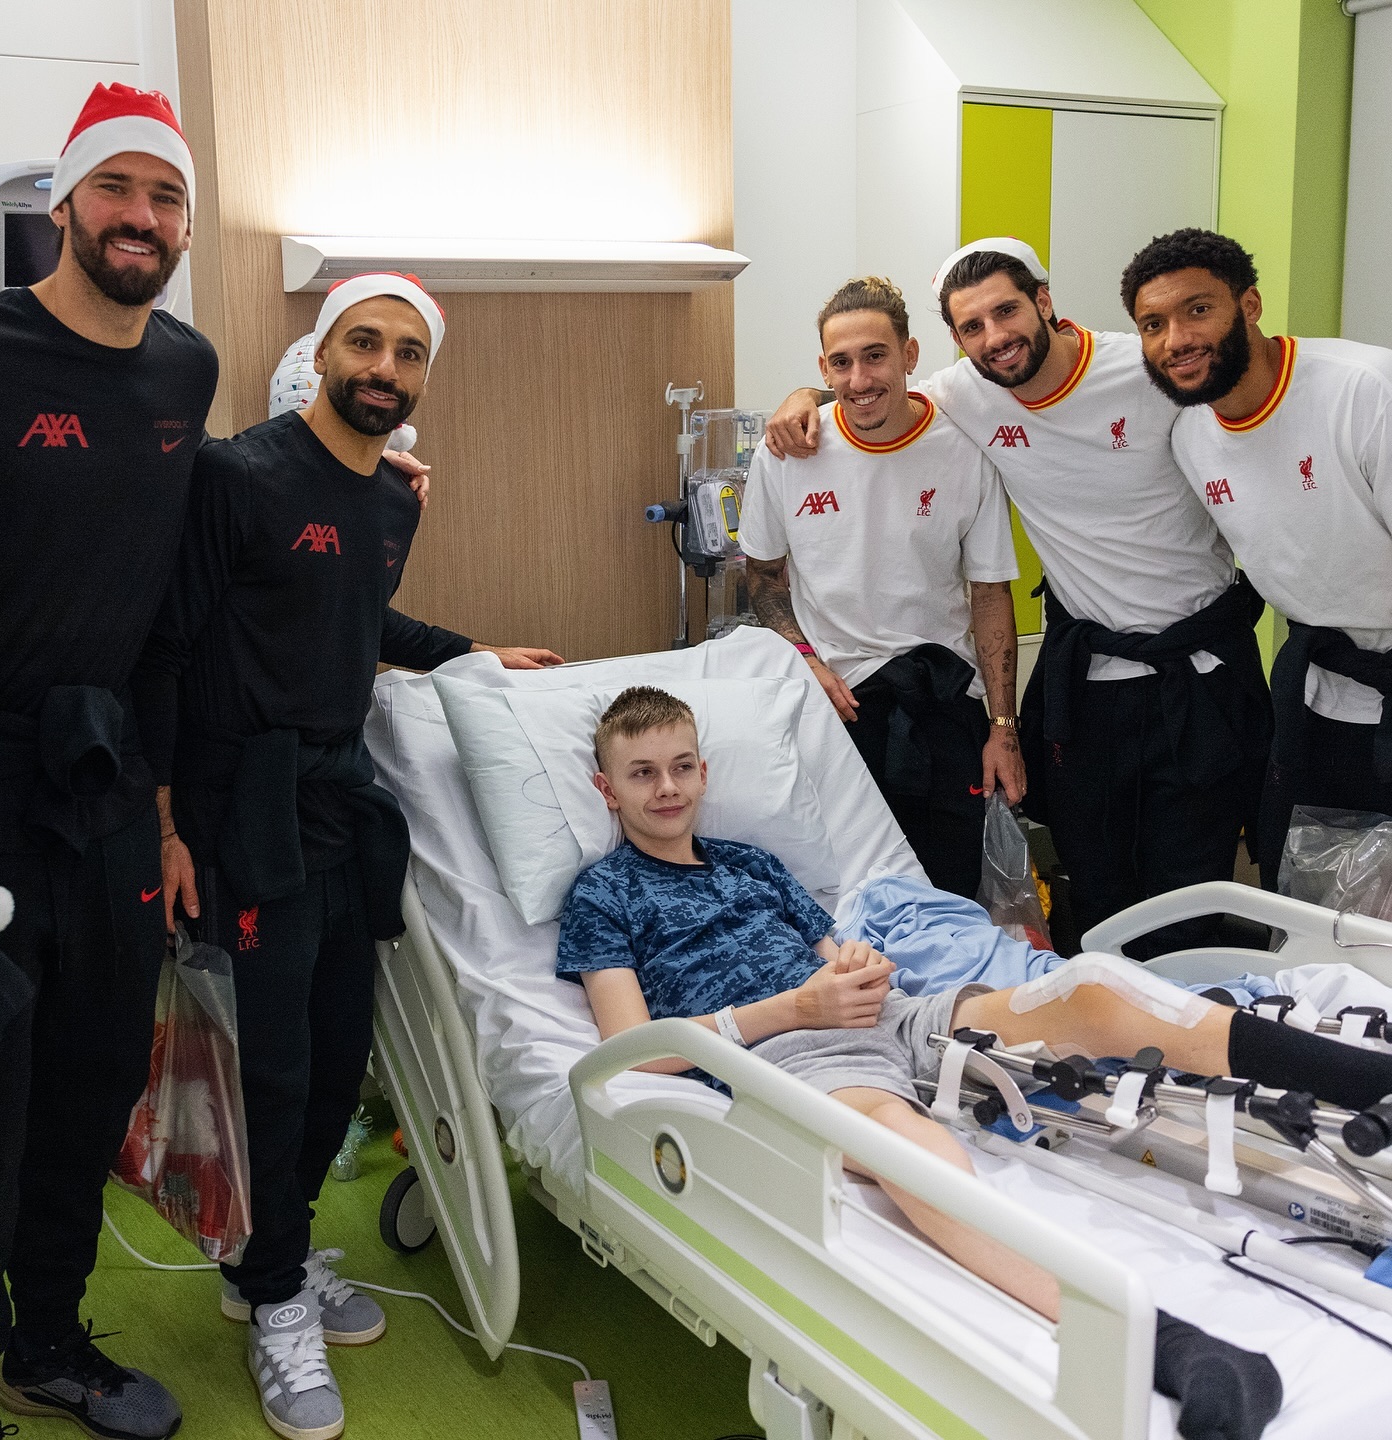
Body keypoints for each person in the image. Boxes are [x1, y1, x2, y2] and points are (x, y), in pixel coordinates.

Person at [558, 686, 1392, 1440]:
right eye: (641, 774)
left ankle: (1368, 1078)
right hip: (788, 1050)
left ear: (704, 771)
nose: (665, 789)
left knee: (1092, 992)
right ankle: (1184, 1349)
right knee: (906, 1148)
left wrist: (854, 968)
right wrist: (795, 1010)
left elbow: (831, 949)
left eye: (679, 767)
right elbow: (631, 1052)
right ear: (608, 789)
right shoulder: (603, 896)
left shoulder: (753, 865)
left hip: (884, 1013)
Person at [133, 271, 562, 1440]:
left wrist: (471, 652)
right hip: (239, 810)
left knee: (334, 1062)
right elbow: (164, 652)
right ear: (320, 353)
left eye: (407, 353)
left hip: (339, 803)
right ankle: (272, 1299)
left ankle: (268, 1255)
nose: (384, 367)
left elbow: (356, 621)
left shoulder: (393, 501)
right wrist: (169, 824)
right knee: (268, 1066)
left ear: (424, 376)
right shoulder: (237, 477)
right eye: (363, 344)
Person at [0, 83, 218, 1440]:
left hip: (107, 782)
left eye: (166, 196)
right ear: (65, 204)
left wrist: (165, 808)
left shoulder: (187, 369)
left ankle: (46, 1341)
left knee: (93, 1075)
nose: (142, 217)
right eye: (118, 189)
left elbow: (176, 595)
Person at [765, 241, 1271, 953]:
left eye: (1006, 311)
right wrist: (800, 399)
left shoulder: (1145, 368)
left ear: (1044, 300)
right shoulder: (967, 392)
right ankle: (1108, 1049)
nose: (995, 338)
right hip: (1087, 681)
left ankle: (1197, 1039)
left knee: (1187, 899)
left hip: (1198, 674)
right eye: (972, 327)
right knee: (1093, 896)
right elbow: (866, 390)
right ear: (950, 343)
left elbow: (1243, 387)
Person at [1121, 228, 1392, 890]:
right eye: (1153, 324)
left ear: (1250, 306)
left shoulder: (1365, 390)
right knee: (1309, 897)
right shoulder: (1190, 435)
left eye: (1198, 310)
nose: (1175, 339)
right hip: (1318, 694)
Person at [739, 277, 1022, 899]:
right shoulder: (787, 454)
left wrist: (1003, 728)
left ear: (910, 356)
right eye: (840, 362)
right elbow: (762, 575)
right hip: (835, 707)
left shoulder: (963, 449)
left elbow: (991, 594)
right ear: (822, 368)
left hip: (944, 705)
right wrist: (804, 656)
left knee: (948, 897)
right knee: (845, 901)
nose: (859, 379)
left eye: (875, 356)